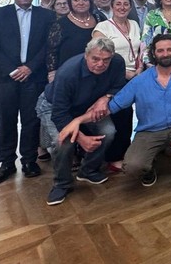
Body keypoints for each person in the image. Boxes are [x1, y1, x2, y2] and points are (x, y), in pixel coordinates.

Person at [62, 35, 171, 188]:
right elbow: (111, 107)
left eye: (170, 49)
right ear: (154, 54)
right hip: (150, 132)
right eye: (160, 50)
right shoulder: (140, 81)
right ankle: (149, 166)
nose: (165, 54)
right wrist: (78, 120)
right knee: (133, 166)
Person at [0, 0, 56, 186]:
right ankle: (6, 163)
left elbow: (48, 46)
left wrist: (30, 67)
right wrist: (12, 70)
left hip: (33, 76)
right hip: (4, 78)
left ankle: (29, 161)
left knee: (31, 121)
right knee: (6, 121)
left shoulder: (47, 16)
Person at [39, 37, 126, 205]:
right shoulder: (68, 73)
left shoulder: (117, 62)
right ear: (86, 56)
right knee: (64, 141)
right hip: (54, 107)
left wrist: (105, 98)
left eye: (106, 60)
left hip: (88, 105)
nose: (101, 64)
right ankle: (61, 183)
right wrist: (81, 138)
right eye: (95, 59)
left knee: (108, 132)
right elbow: (59, 114)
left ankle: (88, 170)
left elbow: (119, 85)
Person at [92, 0, 143, 172]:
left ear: (130, 7)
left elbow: (140, 49)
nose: (122, 7)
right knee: (118, 116)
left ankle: (125, 150)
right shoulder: (103, 26)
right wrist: (124, 72)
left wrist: (139, 67)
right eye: (118, 4)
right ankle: (112, 157)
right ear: (112, 6)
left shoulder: (135, 24)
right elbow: (97, 53)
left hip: (135, 75)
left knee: (128, 116)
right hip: (113, 77)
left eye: (126, 4)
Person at [47, 0, 106, 82]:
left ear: (90, 2)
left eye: (85, 0)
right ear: (70, 3)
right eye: (76, 0)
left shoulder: (100, 19)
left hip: (98, 70)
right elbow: (52, 51)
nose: (81, 3)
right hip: (69, 73)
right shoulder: (60, 24)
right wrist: (52, 72)